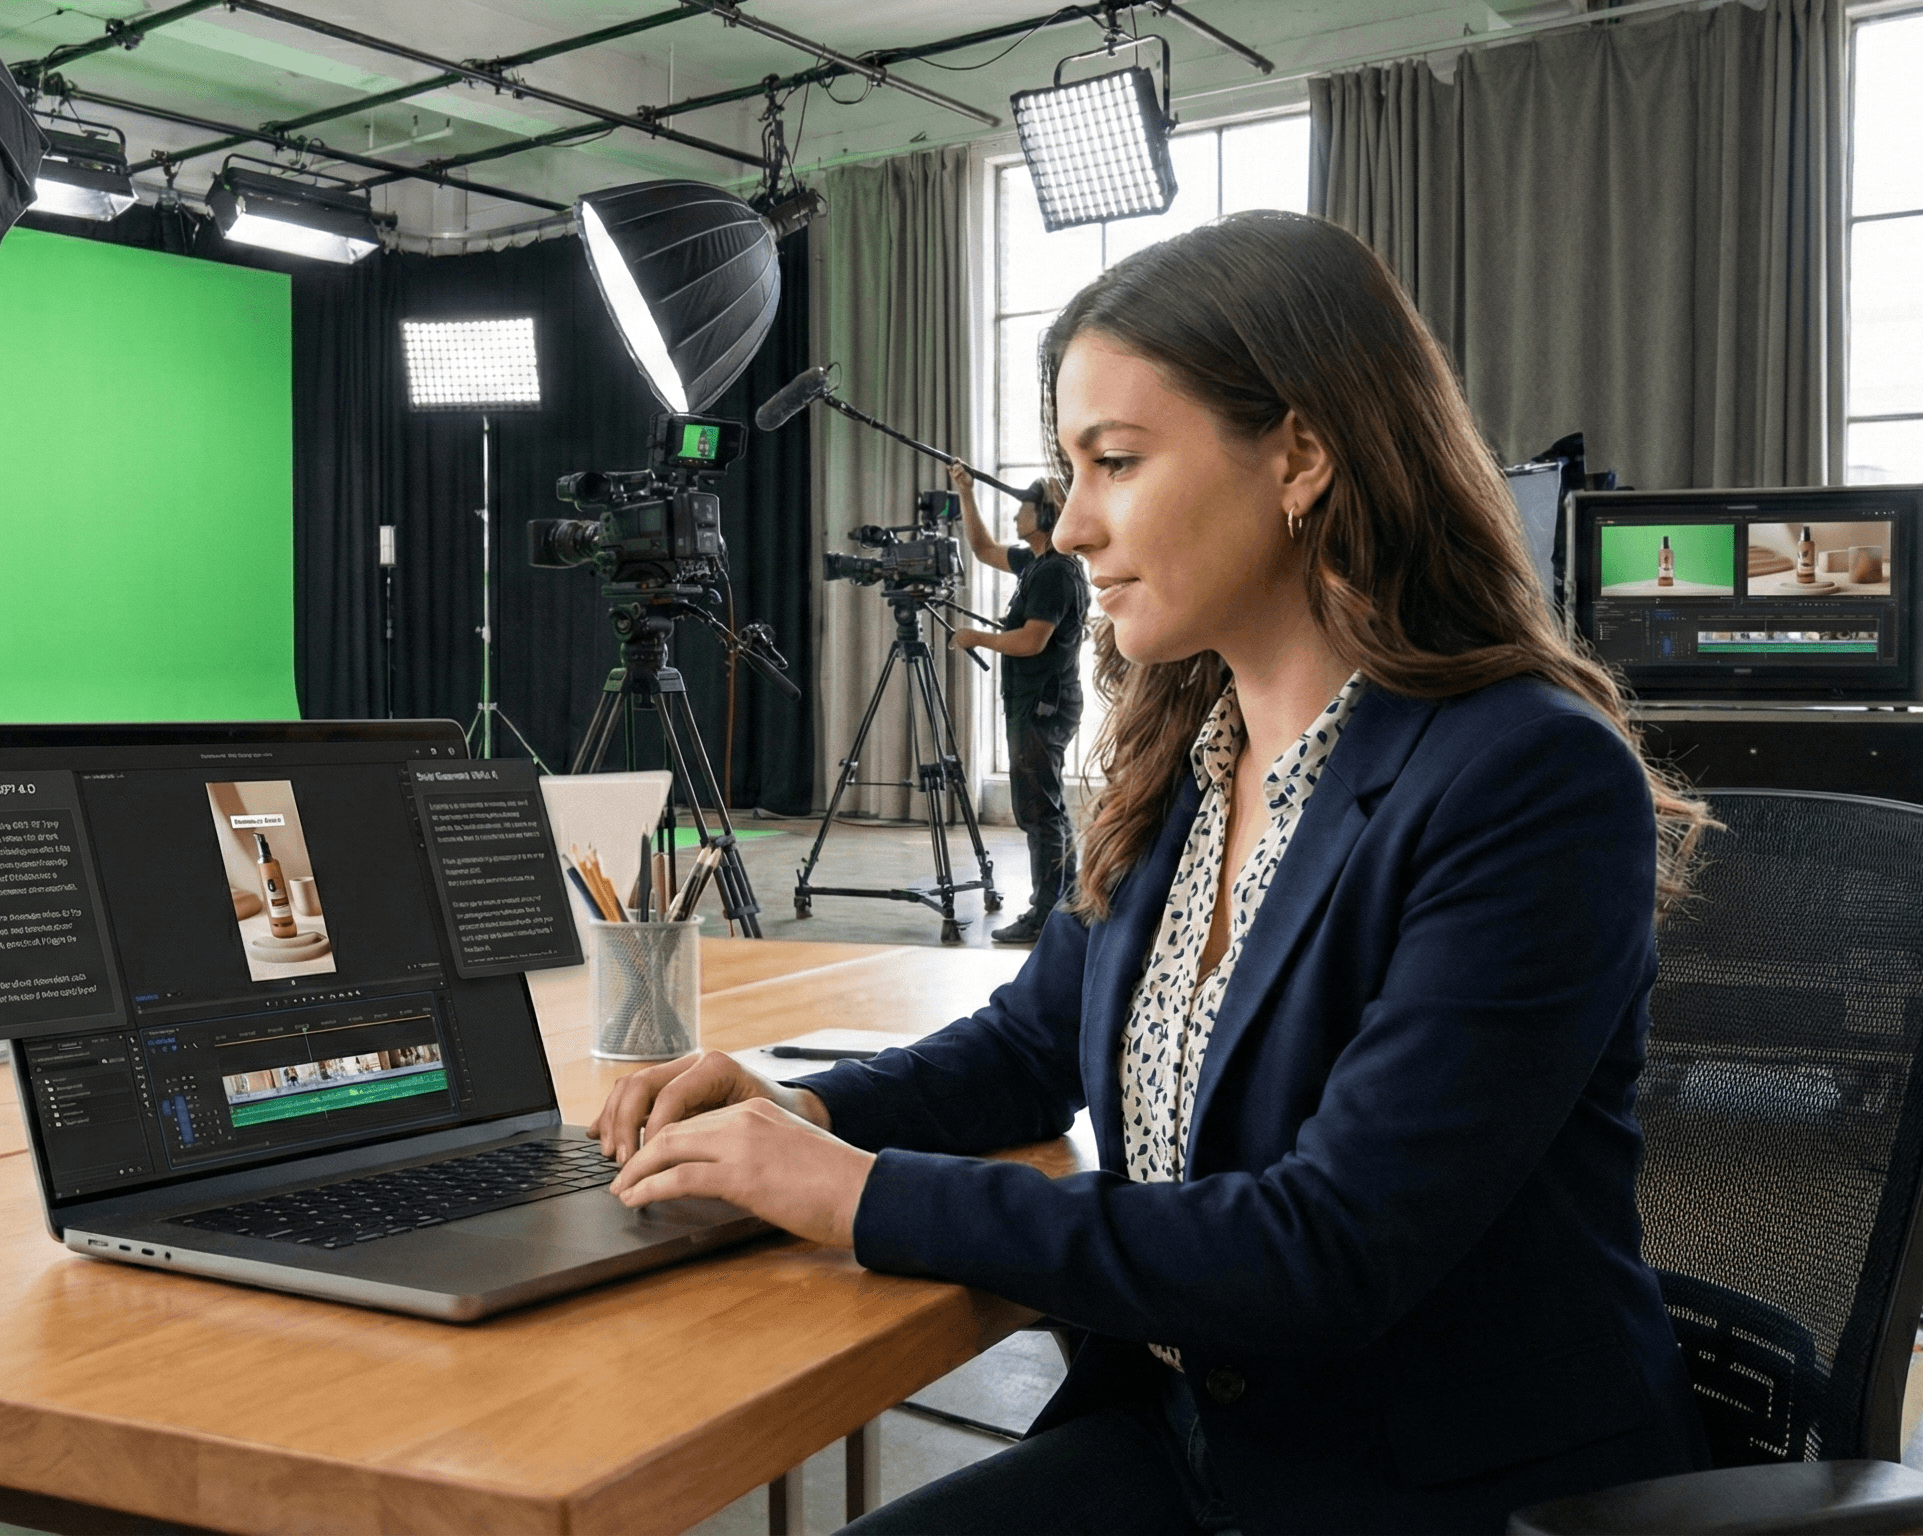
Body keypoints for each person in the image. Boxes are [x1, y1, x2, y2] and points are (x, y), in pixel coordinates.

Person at [591, 210, 1712, 1535]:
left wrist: (861, 1197)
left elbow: (1325, 1254)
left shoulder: (1526, 778)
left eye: (1114, 462)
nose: (1066, 526)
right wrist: (812, 1119)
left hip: (1432, 1492)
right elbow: (1028, 1044)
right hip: (1200, 1443)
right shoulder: (1187, 755)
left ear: (1300, 453)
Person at [947, 465, 1088, 945]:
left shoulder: (1054, 573)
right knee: (1042, 807)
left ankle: (1048, 914)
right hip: (1038, 704)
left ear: (1044, 514)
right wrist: (966, 493)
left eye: (1022, 508)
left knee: (1039, 811)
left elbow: (1031, 641)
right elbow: (983, 550)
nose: (1014, 516)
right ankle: (1063, 904)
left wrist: (976, 637)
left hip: (1043, 707)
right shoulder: (1036, 564)